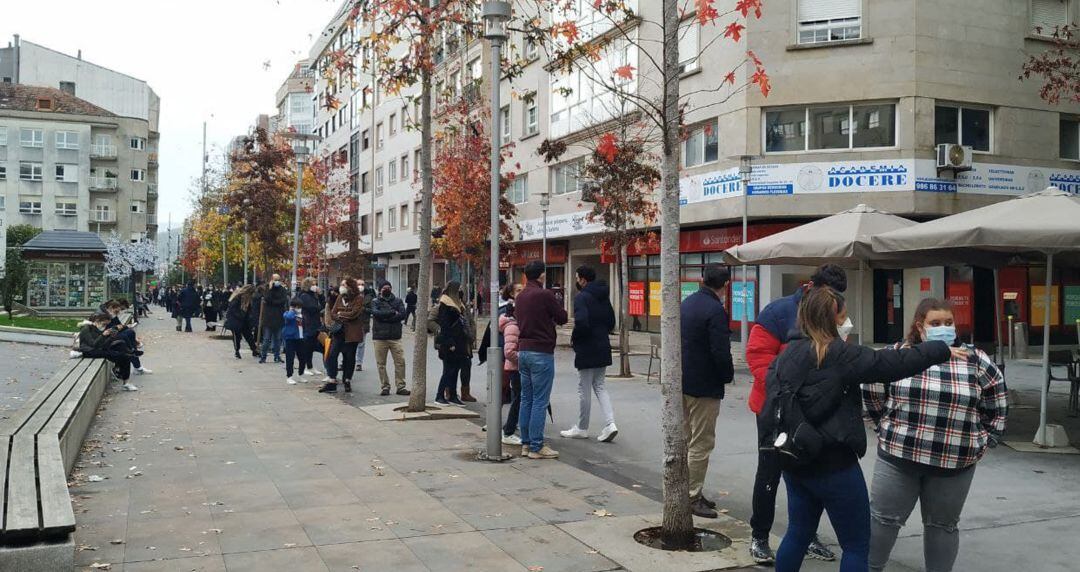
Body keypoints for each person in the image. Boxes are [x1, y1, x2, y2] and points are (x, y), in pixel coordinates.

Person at [764, 287, 962, 572]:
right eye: (844, 317)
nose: (848, 323)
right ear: (833, 319)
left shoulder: (788, 354)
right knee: (856, 545)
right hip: (835, 466)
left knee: (798, 532)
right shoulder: (840, 354)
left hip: (796, 459)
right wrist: (940, 349)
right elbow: (892, 364)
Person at [864, 299, 1008, 572]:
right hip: (898, 459)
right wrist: (883, 427)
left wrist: (984, 440)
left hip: (955, 465)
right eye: (935, 323)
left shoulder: (977, 361)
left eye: (948, 322)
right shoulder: (897, 354)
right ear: (920, 327)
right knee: (882, 521)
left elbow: (997, 402)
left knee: (943, 526)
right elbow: (872, 391)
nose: (943, 328)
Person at [746, 264, 849, 563]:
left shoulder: (836, 312)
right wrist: (789, 388)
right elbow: (757, 357)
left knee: (810, 474)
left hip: (815, 411)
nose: (835, 304)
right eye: (830, 296)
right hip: (774, 408)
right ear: (813, 287)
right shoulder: (777, 312)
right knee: (770, 471)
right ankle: (759, 536)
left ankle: (807, 535)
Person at [679, 264, 735, 518]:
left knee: (685, 438)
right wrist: (727, 376)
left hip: (682, 381)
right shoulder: (716, 311)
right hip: (705, 385)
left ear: (702, 279)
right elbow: (720, 351)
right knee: (701, 442)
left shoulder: (687, 304)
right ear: (725, 286)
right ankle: (691, 496)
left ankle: (686, 490)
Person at [516, 261, 569, 460]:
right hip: (541, 351)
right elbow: (562, 317)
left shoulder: (520, 296)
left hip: (524, 351)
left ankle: (526, 443)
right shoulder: (545, 295)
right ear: (542, 275)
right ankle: (537, 446)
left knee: (526, 399)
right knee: (540, 400)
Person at [561, 265, 618, 443]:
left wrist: (575, 339)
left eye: (577, 278)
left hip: (587, 346)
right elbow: (611, 322)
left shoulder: (582, 298)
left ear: (583, 280)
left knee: (584, 389)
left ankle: (582, 427)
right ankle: (610, 423)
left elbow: (581, 323)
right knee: (600, 386)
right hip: (602, 344)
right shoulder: (603, 296)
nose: (576, 281)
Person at [321, 278, 366, 393]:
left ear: (350, 286)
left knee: (349, 358)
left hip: (352, 334)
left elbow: (354, 314)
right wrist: (343, 314)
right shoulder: (340, 297)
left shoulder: (359, 298)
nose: (341, 287)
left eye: (344, 285)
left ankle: (347, 379)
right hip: (339, 332)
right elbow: (333, 313)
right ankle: (332, 380)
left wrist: (341, 314)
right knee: (331, 355)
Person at [78, 312, 139, 391]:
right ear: (97, 321)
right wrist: (103, 335)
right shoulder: (86, 329)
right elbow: (93, 345)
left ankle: (123, 375)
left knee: (123, 351)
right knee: (124, 357)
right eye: (103, 324)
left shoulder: (96, 328)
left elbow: (102, 343)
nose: (104, 326)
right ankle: (124, 380)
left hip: (98, 349)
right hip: (89, 352)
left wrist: (110, 336)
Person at [371, 280, 411, 396]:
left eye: (388, 287)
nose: (387, 289)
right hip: (379, 337)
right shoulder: (375, 301)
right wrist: (393, 313)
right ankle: (385, 386)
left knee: (400, 362)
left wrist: (385, 316)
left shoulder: (398, 301)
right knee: (381, 364)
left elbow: (402, 315)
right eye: (384, 288)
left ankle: (401, 386)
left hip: (395, 337)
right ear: (379, 290)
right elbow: (376, 314)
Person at [435, 281, 469, 405]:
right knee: (448, 370)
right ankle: (439, 395)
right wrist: (450, 342)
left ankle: (453, 396)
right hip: (449, 343)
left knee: (455, 370)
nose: (460, 291)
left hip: (459, 342)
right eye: (458, 288)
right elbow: (444, 325)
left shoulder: (457, 303)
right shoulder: (445, 304)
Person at [498, 284, 524, 445]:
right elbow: (509, 350)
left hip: (517, 364)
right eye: (518, 290)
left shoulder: (513, 321)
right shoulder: (511, 324)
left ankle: (513, 426)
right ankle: (508, 430)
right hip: (515, 365)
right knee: (517, 398)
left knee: (518, 397)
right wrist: (524, 358)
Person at [259, 274, 290, 363]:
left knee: (278, 339)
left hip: (279, 317)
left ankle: (277, 356)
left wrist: (272, 302)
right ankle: (263, 356)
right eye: (275, 279)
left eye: (278, 279)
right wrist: (270, 288)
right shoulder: (268, 289)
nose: (277, 281)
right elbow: (267, 298)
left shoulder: (282, 290)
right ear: (271, 280)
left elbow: (283, 300)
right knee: (266, 339)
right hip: (268, 318)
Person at [298, 278, 324, 376]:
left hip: (314, 324)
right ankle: (304, 367)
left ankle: (310, 366)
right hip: (307, 324)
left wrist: (320, 295)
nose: (315, 286)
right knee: (306, 346)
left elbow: (323, 305)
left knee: (311, 347)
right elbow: (314, 308)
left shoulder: (313, 295)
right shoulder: (304, 296)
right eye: (313, 284)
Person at [225, 286, 259, 359]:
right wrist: (241, 315)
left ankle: (254, 350)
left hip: (244, 320)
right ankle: (237, 351)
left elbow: (249, 309)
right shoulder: (237, 297)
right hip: (236, 320)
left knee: (249, 336)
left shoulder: (248, 299)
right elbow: (233, 309)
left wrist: (249, 317)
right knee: (237, 337)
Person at [282, 298, 307, 384]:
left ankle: (301, 374)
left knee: (302, 357)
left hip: (300, 338)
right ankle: (289, 376)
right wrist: (292, 311)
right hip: (290, 339)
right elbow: (288, 317)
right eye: (298, 307)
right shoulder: (288, 314)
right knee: (290, 358)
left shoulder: (301, 315)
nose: (300, 308)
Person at [353, 279, 375, 373]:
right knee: (351, 343)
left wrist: (363, 308)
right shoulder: (351, 295)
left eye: (362, 284)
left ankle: (359, 363)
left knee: (361, 344)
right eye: (359, 284)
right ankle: (348, 361)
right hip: (352, 323)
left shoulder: (369, 296)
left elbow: (372, 310)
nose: (360, 286)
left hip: (363, 323)